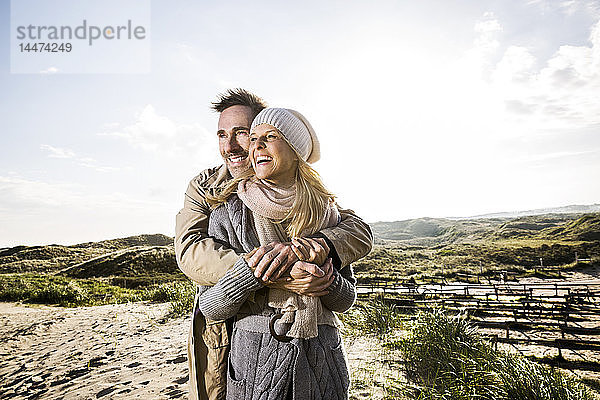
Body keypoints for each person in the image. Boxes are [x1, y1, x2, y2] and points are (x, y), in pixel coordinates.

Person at [175, 89, 373, 400]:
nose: (233, 146)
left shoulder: (321, 208)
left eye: (243, 133)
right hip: (245, 347)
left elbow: (357, 236)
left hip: (323, 360)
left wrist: (323, 269)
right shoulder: (212, 193)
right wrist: (268, 269)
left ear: (293, 146)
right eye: (223, 135)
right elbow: (190, 253)